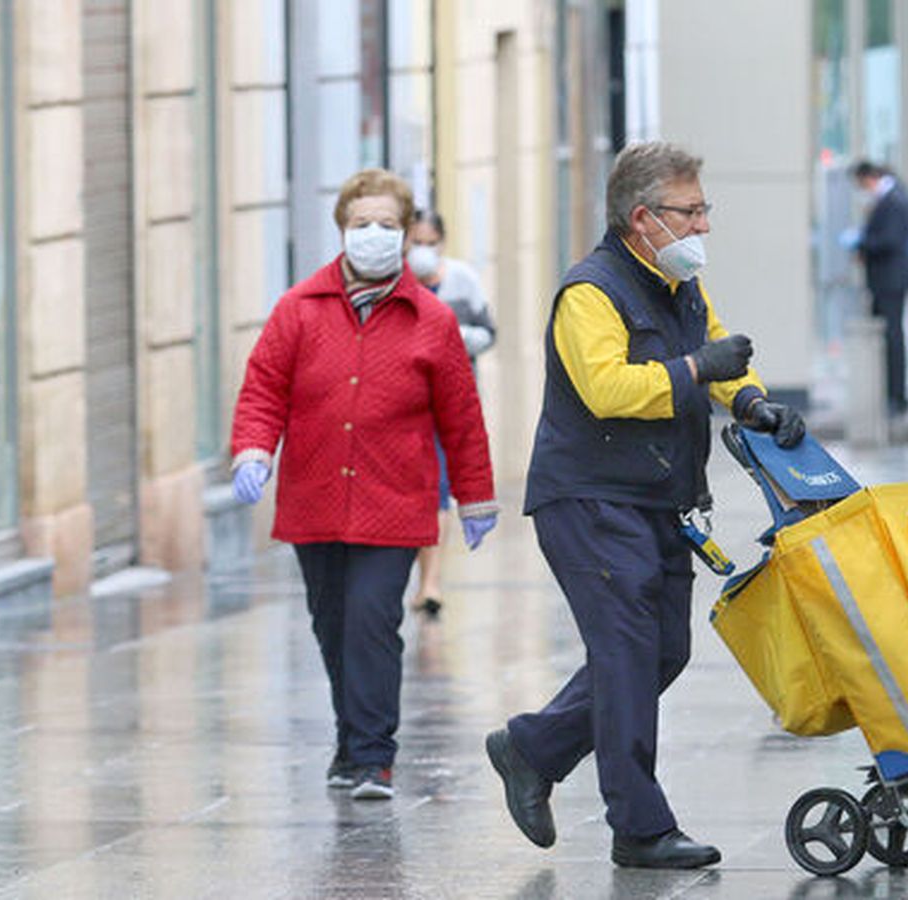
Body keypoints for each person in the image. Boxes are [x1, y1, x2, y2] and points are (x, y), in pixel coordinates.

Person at [485, 141, 806, 870]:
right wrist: (698, 370)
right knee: (628, 650)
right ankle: (640, 827)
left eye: (704, 210)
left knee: (663, 649)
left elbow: (717, 349)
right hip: (591, 497)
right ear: (642, 218)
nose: (703, 228)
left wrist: (752, 401)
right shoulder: (590, 293)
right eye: (689, 213)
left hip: (658, 497)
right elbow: (607, 389)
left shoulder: (678, 282)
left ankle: (533, 747)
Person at [230, 168, 498, 800]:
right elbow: (264, 387)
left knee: (372, 623)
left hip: (394, 500)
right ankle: (350, 745)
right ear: (342, 230)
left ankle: (375, 757)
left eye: (386, 225)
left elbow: (461, 417)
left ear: (405, 236)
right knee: (331, 624)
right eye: (360, 225)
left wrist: (475, 496)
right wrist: (252, 451)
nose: (372, 236)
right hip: (314, 499)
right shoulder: (298, 310)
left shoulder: (430, 320)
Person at [405, 210, 497, 619]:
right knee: (414, 494)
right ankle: (418, 579)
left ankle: (431, 582)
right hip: (404, 409)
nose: (422, 251)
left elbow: (489, 331)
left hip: (447, 403)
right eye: (414, 242)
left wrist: (455, 338)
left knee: (438, 491)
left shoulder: (461, 280)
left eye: (430, 242)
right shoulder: (393, 282)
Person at [852, 160, 908, 417]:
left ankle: (896, 395)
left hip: (891, 280)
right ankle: (893, 393)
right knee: (893, 335)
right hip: (890, 279)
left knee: (894, 336)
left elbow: (890, 240)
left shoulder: (893, 201)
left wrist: (863, 245)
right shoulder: (897, 198)